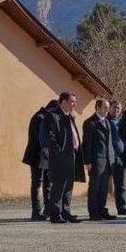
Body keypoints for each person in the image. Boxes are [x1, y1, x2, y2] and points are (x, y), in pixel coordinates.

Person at [43, 92, 86, 224]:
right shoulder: (53, 115)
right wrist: (58, 151)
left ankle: (65, 212)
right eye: (72, 102)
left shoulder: (70, 116)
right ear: (63, 102)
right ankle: (55, 214)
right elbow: (50, 136)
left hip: (72, 155)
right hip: (60, 156)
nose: (75, 104)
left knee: (68, 185)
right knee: (59, 185)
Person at [21, 99, 57, 221]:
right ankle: (36, 211)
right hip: (37, 155)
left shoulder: (44, 117)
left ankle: (47, 209)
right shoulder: (39, 117)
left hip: (46, 156)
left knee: (47, 183)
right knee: (37, 183)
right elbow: (41, 138)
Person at [83, 98, 117, 220]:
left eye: (108, 108)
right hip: (96, 161)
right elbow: (86, 144)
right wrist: (87, 161)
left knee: (103, 189)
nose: (107, 110)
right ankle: (93, 212)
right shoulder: (90, 123)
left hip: (107, 161)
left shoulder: (107, 122)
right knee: (94, 188)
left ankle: (102, 210)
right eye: (105, 108)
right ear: (97, 108)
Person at [106, 100, 126, 216]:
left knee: (121, 184)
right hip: (108, 157)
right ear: (109, 108)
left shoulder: (122, 122)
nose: (116, 110)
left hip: (121, 157)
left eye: (118, 108)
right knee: (104, 184)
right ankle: (101, 207)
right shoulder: (105, 121)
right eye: (114, 107)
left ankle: (122, 207)